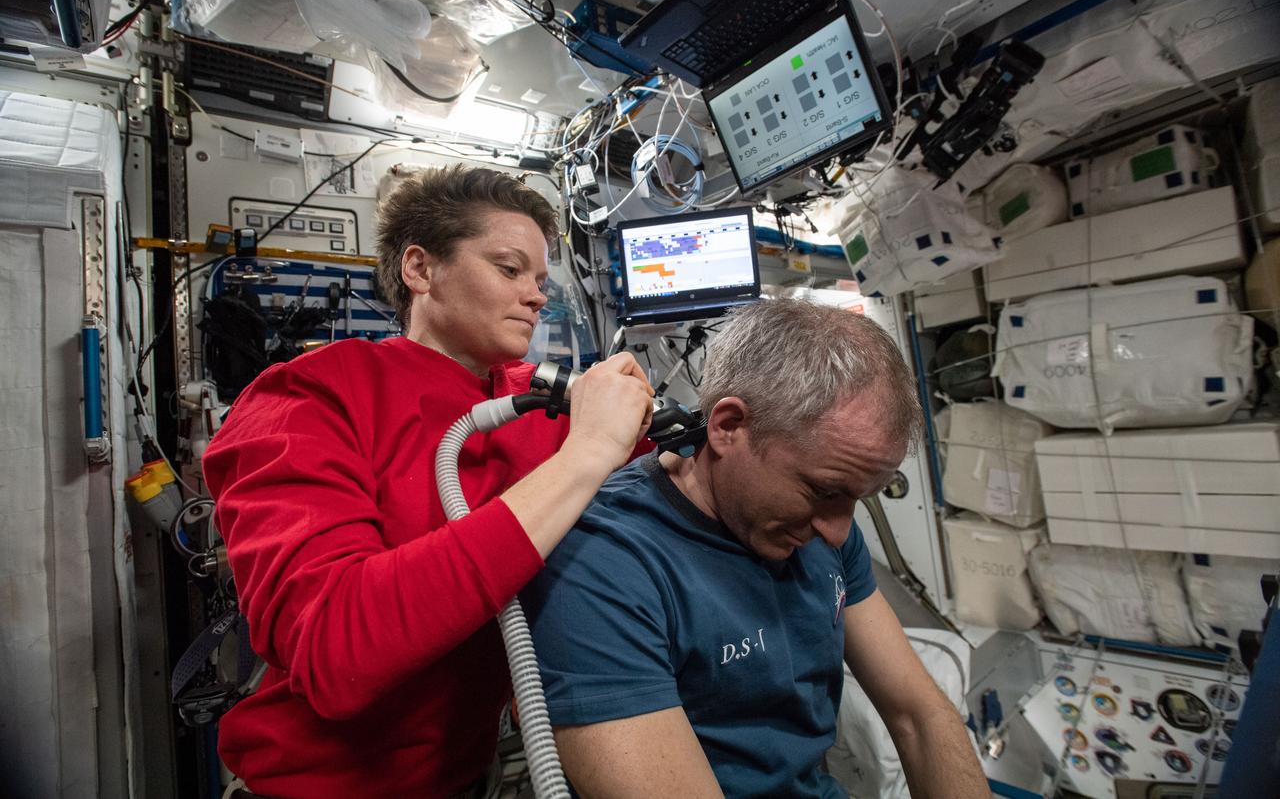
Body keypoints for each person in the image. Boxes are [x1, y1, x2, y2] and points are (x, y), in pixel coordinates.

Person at [202, 164, 654, 798]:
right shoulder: (310, 396)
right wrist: (588, 453)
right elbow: (336, 649)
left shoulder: (540, 404)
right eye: (509, 269)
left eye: (540, 280)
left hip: (470, 773)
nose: (535, 296)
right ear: (420, 268)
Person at [522, 298, 990, 798]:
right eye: (823, 491)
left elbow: (919, 716)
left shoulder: (814, 526)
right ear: (728, 427)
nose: (838, 533)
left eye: (857, 498)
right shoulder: (602, 563)